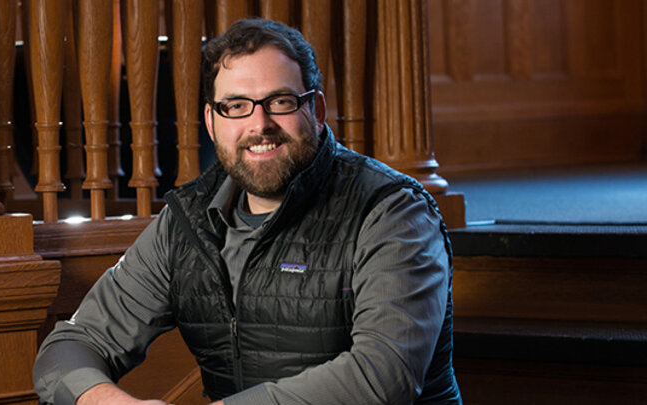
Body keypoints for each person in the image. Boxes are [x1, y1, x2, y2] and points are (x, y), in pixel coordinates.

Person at [33, 17, 461, 405]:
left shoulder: (391, 210)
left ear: (317, 110)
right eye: (236, 106)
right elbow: (69, 346)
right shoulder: (187, 220)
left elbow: (383, 376)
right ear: (211, 121)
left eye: (280, 101)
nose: (259, 125)